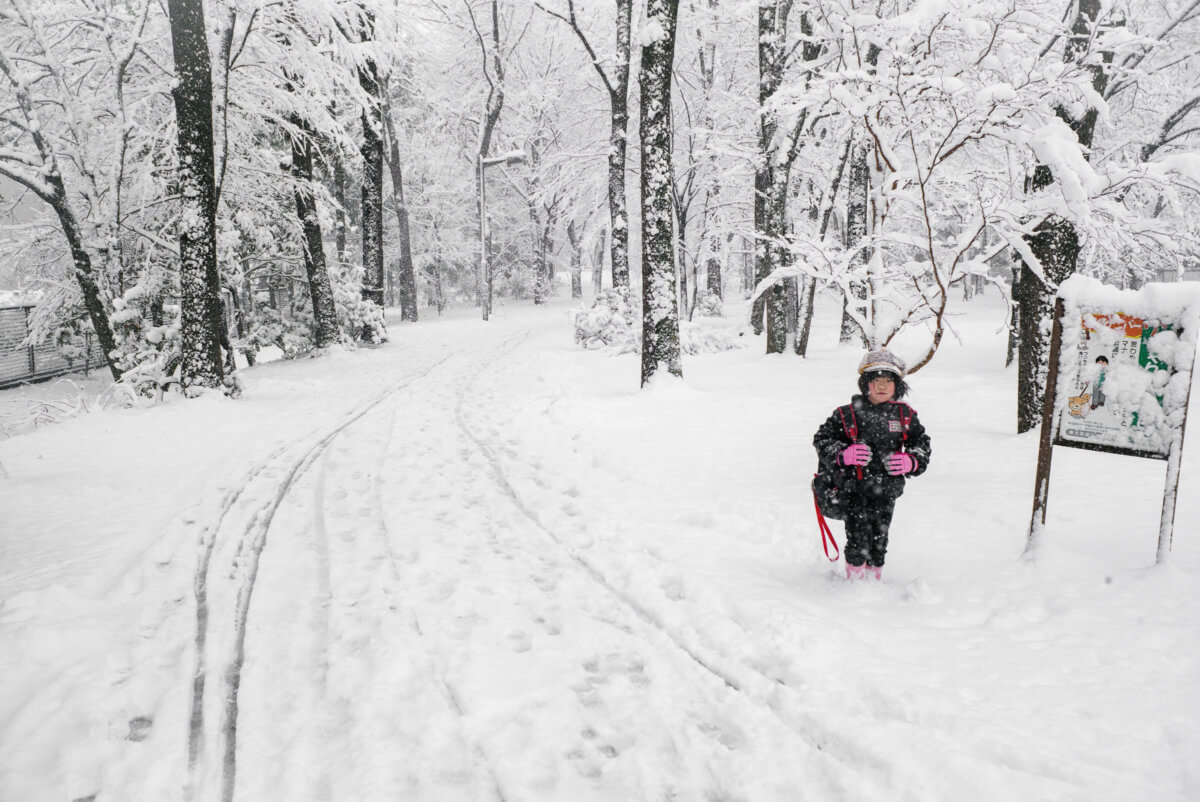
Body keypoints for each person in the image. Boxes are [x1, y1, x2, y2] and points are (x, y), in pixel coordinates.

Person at [813, 349, 932, 580]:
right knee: (857, 539)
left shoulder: (905, 415)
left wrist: (912, 461)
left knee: (880, 540)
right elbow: (822, 440)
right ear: (865, 383)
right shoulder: (846, 414)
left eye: (888, 381)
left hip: (887, 491)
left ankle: (873, 581)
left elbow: (922, 443)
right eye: (876, 380)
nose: (882, 386)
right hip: (853, 490)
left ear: (896, 385)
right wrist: (844, 454)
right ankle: (855, 583)